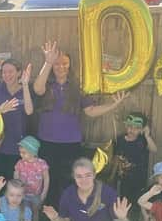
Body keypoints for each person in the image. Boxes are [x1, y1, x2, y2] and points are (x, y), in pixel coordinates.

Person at [33, 41, 129, 207]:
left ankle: (69, 216)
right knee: (48, 181)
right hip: (46, 142)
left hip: (70, 143)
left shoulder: (77, 87)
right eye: (57, 63)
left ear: (70, 66)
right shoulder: (46, 84)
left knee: (69, 182)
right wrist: (48, 61)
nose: (61, 67)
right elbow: (37, 89)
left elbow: (90, 111)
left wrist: (114, 105)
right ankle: (49, 217)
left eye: (65, 63)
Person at [114, 112, 157, 214]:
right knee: (123, 200)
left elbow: (154, 150)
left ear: (142, 129)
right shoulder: (120, 140)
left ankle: (137, 219)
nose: (132, 130)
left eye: (136, 128)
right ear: (125, 126)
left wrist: (147, 136)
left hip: (139, 178)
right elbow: (115, 157)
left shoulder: (142, 140)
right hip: (123, 178)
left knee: (137, 200)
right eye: (129, 126)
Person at [14, 136, 49, 221]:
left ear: (33, 151)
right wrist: (16, 190)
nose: (21, 155)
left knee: (35, 212)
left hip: (36, 195)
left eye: (24, 153)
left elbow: (46, 178)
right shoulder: (20, 163)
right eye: (20, 152)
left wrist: (44, 192)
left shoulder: (42, 164)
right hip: (22, 194)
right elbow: (16, 176)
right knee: (22, 212)